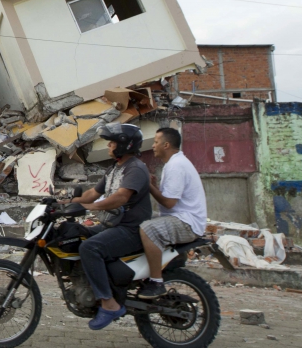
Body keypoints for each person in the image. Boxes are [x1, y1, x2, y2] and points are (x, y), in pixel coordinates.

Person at [67, 123, 152, 330]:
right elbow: (92, 194)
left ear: (124, 145)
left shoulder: (136, 169)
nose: (109, 147)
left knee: (90, 247)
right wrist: (65, 202)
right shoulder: (115, 168)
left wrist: (91, 207)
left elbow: (120, 197)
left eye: (112, 143)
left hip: (131, 230)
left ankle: (109, 304)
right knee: (78, 235)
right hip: (113, 225)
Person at [137, 127, 208, 299]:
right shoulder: (174, 164)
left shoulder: (176, 166)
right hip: (180, 218)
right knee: (138, 221)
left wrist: (148, 185)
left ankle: (156, 282)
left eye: (156, 142)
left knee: (148, 229)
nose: (153, 146)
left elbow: (168, 202)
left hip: (186, 222)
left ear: (166, 145)